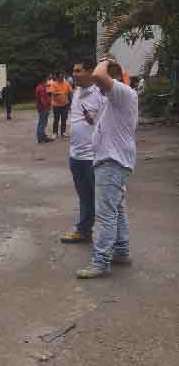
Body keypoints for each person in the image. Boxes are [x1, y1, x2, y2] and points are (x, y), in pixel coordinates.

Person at [76, 59, 138, 278]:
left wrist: (107, 61)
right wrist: (93, 121)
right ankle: (121, 250)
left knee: (106, 214)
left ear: (114, 78)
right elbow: (111, 127)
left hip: (111, 163)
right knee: (117, 209)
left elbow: (99, 76)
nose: (99, 88)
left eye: (103, 84)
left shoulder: (124, 92)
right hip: (113, 162)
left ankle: (101, 261)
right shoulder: (113, 101)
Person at [62, 58, 104, 244]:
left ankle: (102, 234)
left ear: (90, 72)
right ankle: (84, 230)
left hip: (91, 155)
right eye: (74, 70)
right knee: (84, 195)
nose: (74, 74)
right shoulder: (77, 92)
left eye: (78, 71)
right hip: (76, 154)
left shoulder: (99, 93)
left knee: (96, 196)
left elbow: (105, 123)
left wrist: (93, 121)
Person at [50, 72, 72, 138]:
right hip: (56, 105)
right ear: (57, 77)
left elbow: (70, 92)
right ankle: (55, 133)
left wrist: (71, 101)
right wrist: (60, 93)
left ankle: (63, 132)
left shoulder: (66, 83)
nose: (62, 78)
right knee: (56, 119)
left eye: (62, 76)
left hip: (65, 104)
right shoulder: (54, 84)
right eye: (60, 77)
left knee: (64, 119)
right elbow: (52, 93)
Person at [36, 77, 53, 143]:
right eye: (47, 81)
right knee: (42, 123)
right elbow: (42, 99)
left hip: (42, 108)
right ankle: (41, 138)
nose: (47, 82)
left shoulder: (40, 87)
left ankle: (43, 136)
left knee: (43, 123)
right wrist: (46, 107)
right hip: (43, 108)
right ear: (44, 81)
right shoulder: (41, 88)